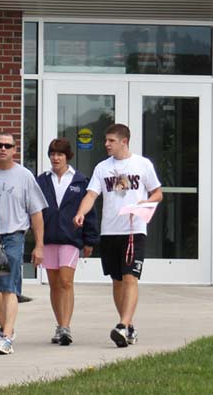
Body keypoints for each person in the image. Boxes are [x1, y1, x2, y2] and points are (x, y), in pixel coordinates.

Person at [73, 123, 163, 348]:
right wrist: (81, 213)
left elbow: (158, 193)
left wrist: (147, 201)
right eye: (106, 140)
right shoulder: (102, 168)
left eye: (111, 141)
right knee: (117, 281)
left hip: (134, 229)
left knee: (130, 277)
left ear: (124, 141)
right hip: (110, 230)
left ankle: (122, 325)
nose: (106, 144)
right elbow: (91, 195)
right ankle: (128, 326)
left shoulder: (142, 164)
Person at [0, 133, 47, 355]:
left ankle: (6, 337)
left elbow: (36, 212)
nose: (3, 149)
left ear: (14, 150)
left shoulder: (24, 176)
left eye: (7, 146)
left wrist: (39, 245)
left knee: (9, 287)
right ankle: (6, 327)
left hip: (14, 236)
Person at [36, 138, 99, 346]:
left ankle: (66, 327)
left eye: (60, 154)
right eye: (52, 154)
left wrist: (89, 239)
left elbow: (89, 212)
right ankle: (59, 324)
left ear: (67, 157)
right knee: (54, 284)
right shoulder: (42, 180)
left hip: (71, 239)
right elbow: (35, 210)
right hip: (48, 238)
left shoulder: (80, 180)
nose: (56, 158)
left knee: (66, 281)